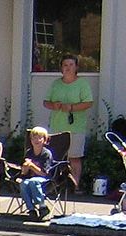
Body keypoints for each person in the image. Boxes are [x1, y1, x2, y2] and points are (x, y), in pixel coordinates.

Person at [43, 54, 93, 190]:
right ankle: (55, 186)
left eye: (71, 65)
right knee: (55, 158)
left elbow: (88, 103)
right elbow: (46, 102)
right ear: (61, 68)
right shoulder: (56, 84)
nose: (68, 68)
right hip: (56, 127)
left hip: (75, 127)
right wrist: (54, 105)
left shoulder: (82, 84)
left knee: (75, 158)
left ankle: (75, 186)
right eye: (65, 65)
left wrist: (71, 107)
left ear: (76, 67)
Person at [19, 126, 53, 221]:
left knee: (33, 181)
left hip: (45, 179)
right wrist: (25, 167)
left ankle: (43, 207)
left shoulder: (46, 153)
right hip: (30, 178)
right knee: (23, 183)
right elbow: (24, 174)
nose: (36, 140)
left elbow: (44, 173)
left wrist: (31, 166)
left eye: (39, 137)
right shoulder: (29, 152)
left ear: (45, 140)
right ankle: (31, 210)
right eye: (34, 137)